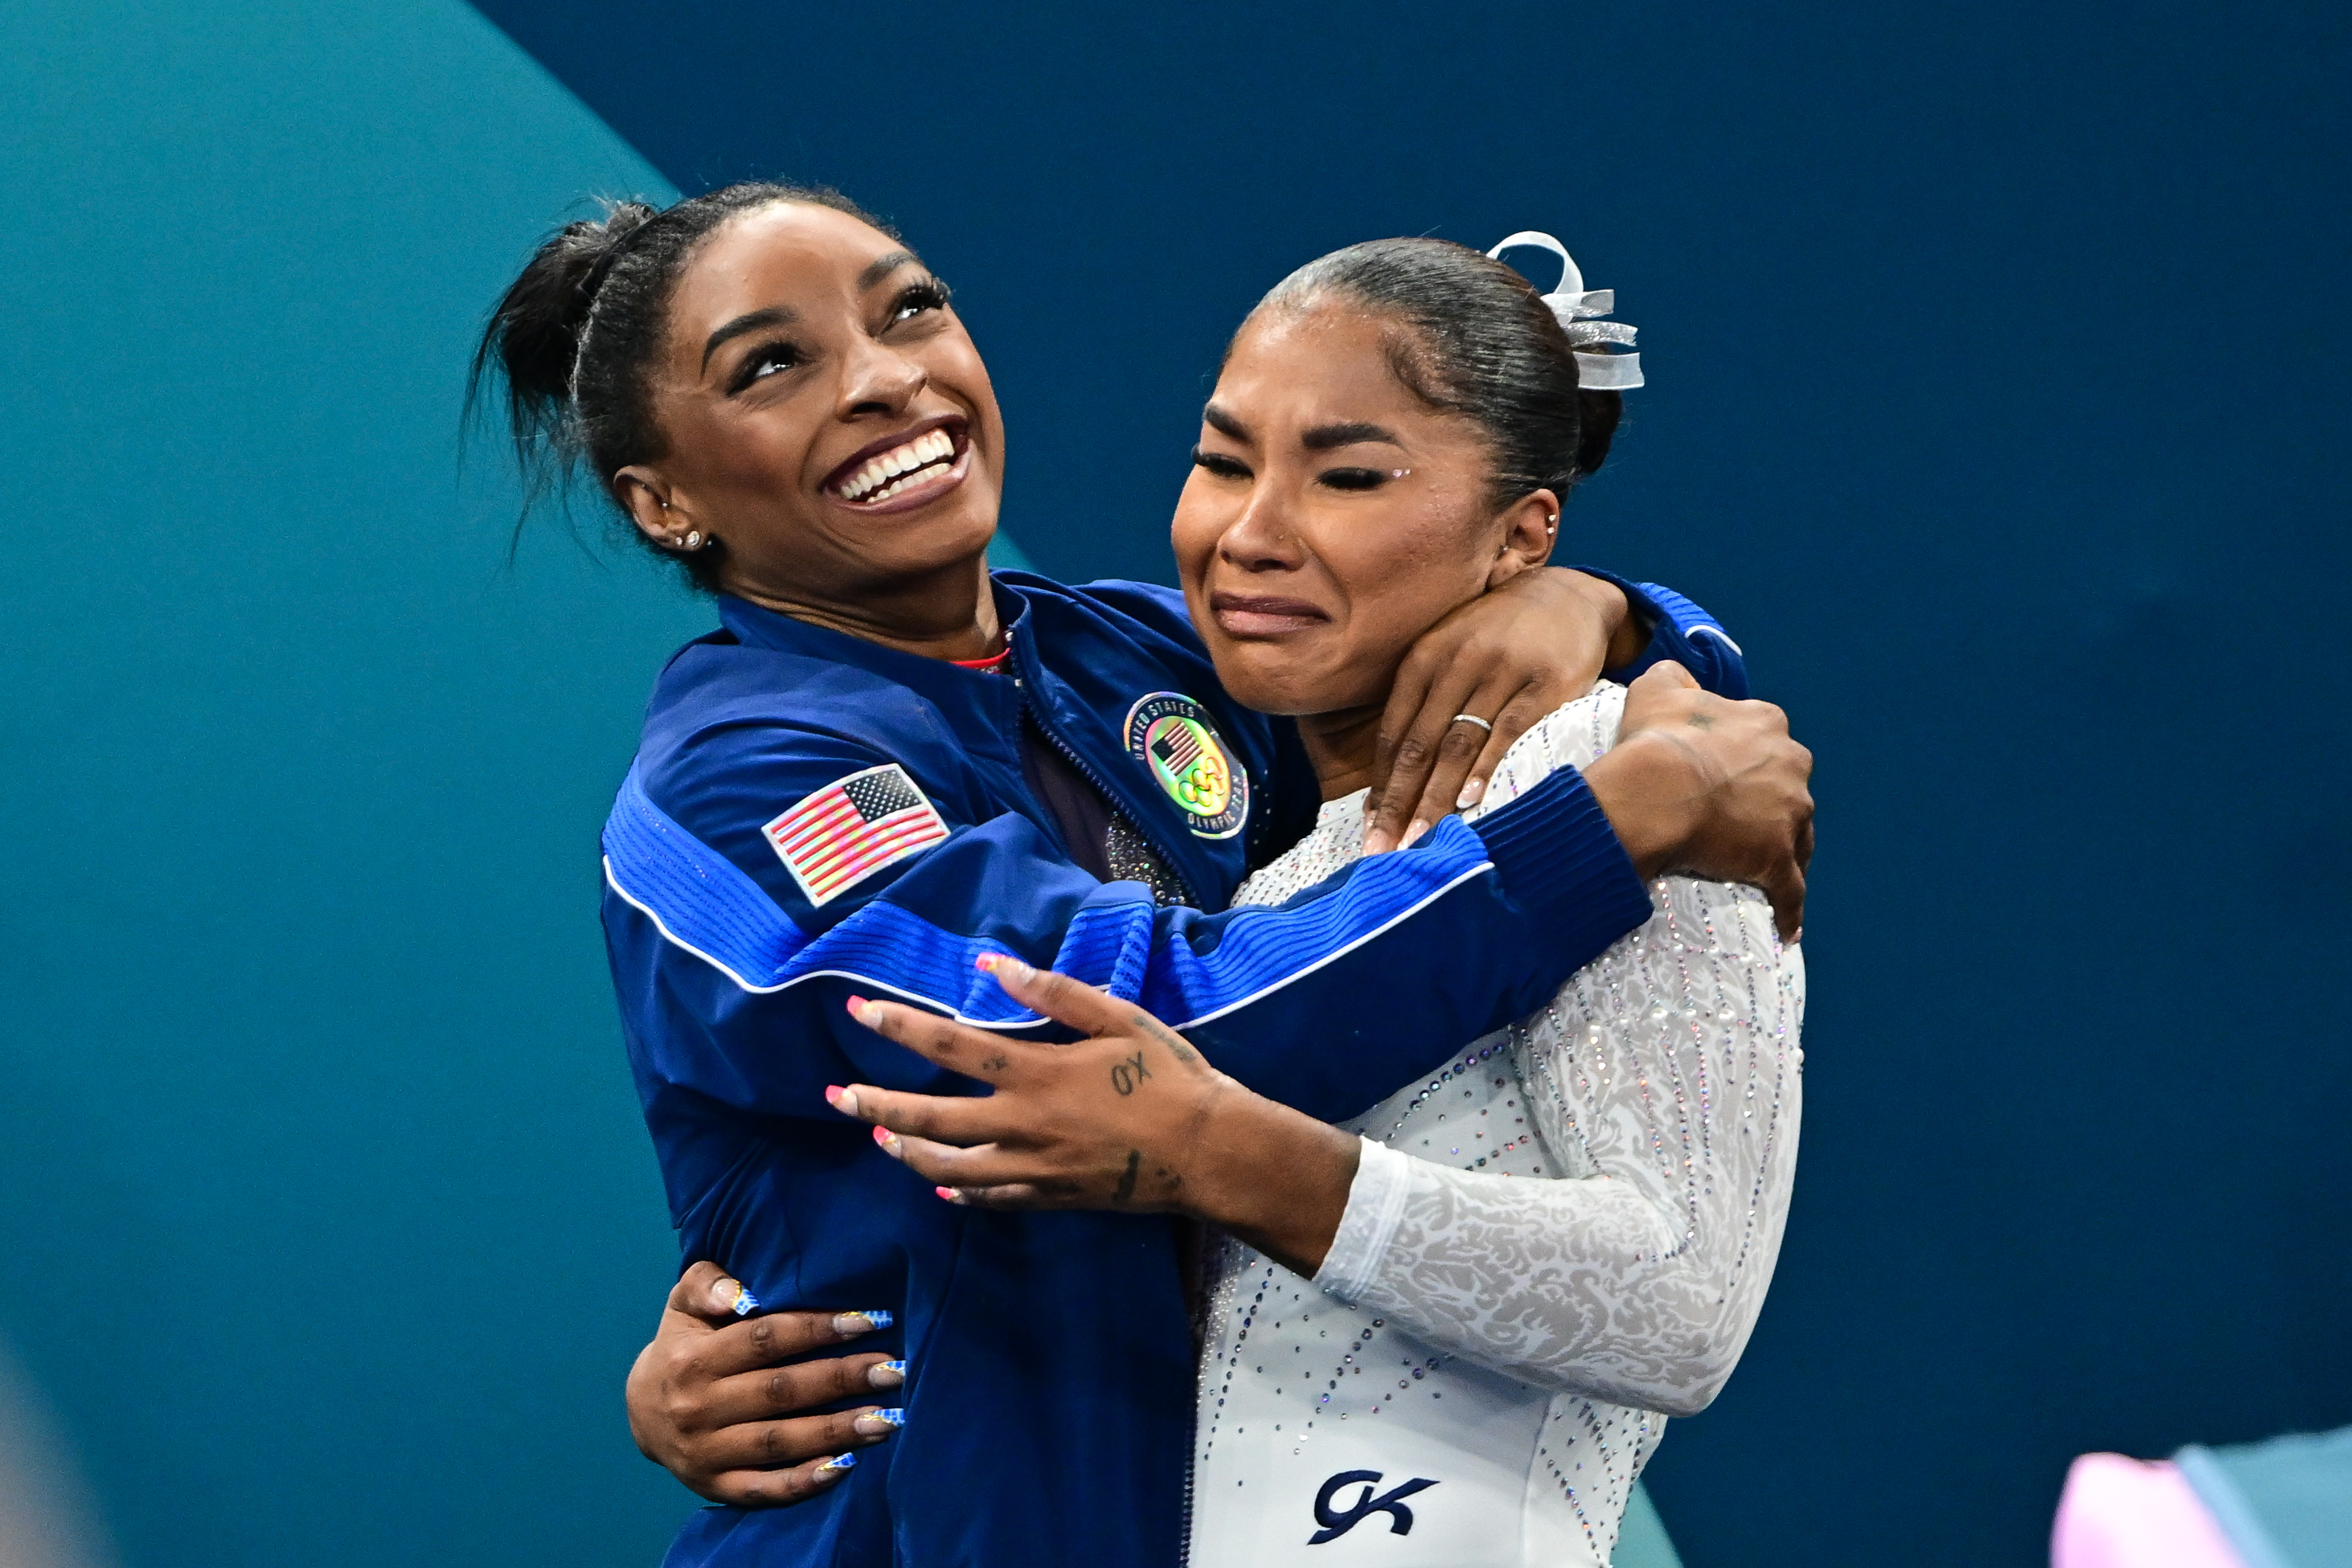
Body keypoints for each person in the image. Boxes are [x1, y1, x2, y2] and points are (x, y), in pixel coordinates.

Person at [473, 182, 1813, 1566]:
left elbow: (1445, 711)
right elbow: (1134, 1045)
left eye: (910, 309)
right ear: (664, 501)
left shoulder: (1136, 656)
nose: (883, 380)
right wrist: (1606, 828)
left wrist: (1604, 612)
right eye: (772, 365)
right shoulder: (739, 781)